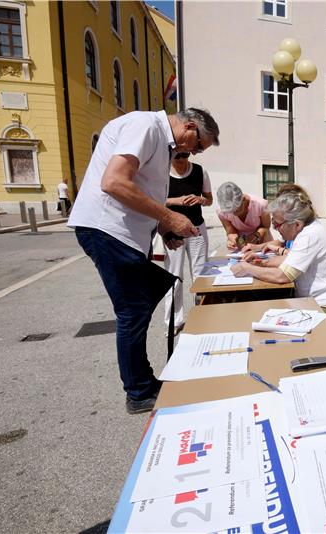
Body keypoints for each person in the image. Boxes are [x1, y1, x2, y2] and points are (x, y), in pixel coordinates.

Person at [68, 108, 220, 415]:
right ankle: (138, 392)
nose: (194, 152)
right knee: (132, 311)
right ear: (189, 126)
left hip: (123, 234)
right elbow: (114, 182)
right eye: (199, 145)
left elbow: (141, 189)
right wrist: (167, 216)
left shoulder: (161, 142)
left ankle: (144, 384)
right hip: (108, 229)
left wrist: (162, 227)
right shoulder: (147, 126)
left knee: (138, 308)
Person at [231, 186, 326, 325]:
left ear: (296, 224)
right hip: (313, 302)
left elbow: (283, 276)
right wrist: (262, 263)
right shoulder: (308, 229)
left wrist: (248, 269)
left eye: (278, 224)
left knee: (265, 319)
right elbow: (290, 259)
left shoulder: (309, 236)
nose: (274, 228)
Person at [162, 152, 213, 334]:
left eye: (184, 157)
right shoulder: (162, 171)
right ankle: (173, 321)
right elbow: (154, 200)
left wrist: (200, 199)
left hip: (196, 228)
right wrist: (175, 201)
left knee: (200, 274)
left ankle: (202, 316)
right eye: (177, 157)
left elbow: (209, 199)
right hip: (172, 229)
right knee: (174, 275)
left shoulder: (200, 171)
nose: (180, 161)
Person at [215, 182, 271, 251]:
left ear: (243, 200)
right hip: (241, 246)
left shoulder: (260, 204)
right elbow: (230, 231)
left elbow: (266, 227)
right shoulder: (221, 211)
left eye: (237, 210)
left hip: (262, 242)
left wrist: (254, 237)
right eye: (231, 212)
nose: (235, 214)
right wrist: (234, 241)